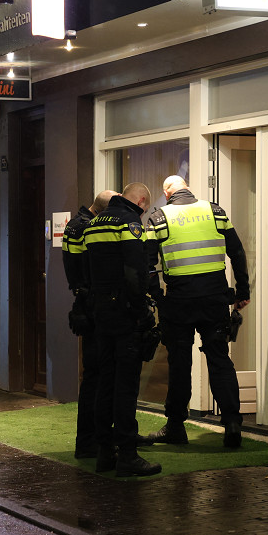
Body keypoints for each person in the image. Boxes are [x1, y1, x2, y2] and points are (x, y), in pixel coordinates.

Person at [141, 175, 249, 449]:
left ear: (167, 194)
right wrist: (242, 291)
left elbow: (147, 264)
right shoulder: (215, 212)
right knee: (219, 359)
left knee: (179, 364)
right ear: (187, 189)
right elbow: (237, 252)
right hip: (215, 300)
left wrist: (158, 297)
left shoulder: (159, 218)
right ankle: (232, 423)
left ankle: (176, 427)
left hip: (178, 302)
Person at [80, 182, 161, 477]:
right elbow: (136, 271)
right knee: (126, 386)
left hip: (101, 313)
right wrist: (142, 313)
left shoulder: (94, 224)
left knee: (106, 382)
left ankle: (105, 452)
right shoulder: (129, 222)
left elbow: (87, 271)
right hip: (125, 314)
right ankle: (127, 454)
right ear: (141, 201)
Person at [61, 189, 117, 459]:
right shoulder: (88, 228)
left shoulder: (74, 225)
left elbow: (73, 271)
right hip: (94, 307)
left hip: (84, 304)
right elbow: (92, 269)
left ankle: (93, 438)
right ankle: (90, 440)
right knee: (97, 376)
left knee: (94, 375)